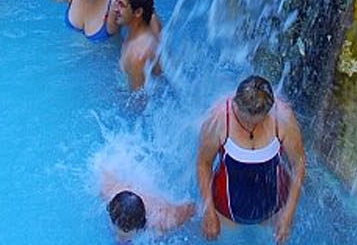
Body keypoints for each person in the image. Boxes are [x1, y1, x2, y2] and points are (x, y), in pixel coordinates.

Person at [196, 75, 307, 243]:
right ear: (236, 104)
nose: (248, 127)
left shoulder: (283, 118)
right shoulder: (219, 119)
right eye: (243, 120)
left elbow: (298, 163)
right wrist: (208, 211)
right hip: (226, 213)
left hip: (274, 210)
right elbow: (203, 164)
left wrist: (288, 214)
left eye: (255, 123)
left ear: (267, 113)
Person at [99, 173, 193, 239]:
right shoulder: (108, 191)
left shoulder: (162, 220)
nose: (120, 236)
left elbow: (193, 209)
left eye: (126, 231)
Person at [110, 0, 163, 90]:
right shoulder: (152, 19)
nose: (115, 8)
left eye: (121, 5)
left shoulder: (137, 57)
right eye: (116, 0)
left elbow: (138, 104)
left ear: (138, 12)